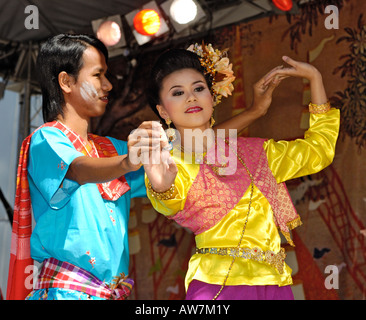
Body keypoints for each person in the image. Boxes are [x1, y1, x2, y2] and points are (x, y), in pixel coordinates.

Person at [6, 35, 273, 300]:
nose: (108, 85)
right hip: (64, 293)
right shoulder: (45, 140)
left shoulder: (112, 148)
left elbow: (194, 144)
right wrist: (126, 162)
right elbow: (77, 169)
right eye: (98, 75)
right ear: (66, 81)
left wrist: (254, 112)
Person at [143, 44, 340, 300]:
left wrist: (315, 77)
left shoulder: (255, 152)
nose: (191, 97)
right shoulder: (168, 162)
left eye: (199, 88)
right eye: (178, 92)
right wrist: (161, 188)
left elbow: (318, 151)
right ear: (162, 111)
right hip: (216, 286)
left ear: (212, 97)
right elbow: (170, 200)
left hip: (274, 285)